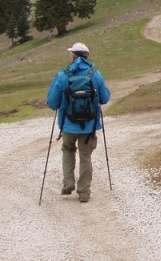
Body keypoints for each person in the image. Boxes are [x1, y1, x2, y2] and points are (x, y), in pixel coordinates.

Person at [47, 42, 110, 203]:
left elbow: (52, 102)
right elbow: (104, 98)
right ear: (86, 56)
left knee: (68, 149)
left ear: (73, 56)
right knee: (85, 155)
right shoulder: (95, 74)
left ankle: (68, 183)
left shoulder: (63, 75)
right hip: (89, 126)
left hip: (68, 124)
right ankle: (84, 192)